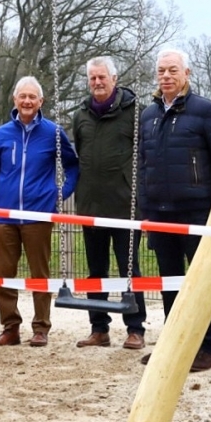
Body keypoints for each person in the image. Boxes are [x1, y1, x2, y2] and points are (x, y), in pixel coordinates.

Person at [137, 49, 211, 372]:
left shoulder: (206, 111)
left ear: (186, 73)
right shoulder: (148, 115)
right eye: (161, 71)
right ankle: (174, 345)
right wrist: (145, 211)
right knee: (170, 281)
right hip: (160, 213)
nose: (166, 76)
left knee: (202, 281)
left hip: (198, 211)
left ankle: (207, 347)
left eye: (172, 70)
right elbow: (143, 166)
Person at [0, 76, 78, 347]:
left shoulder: (53, 133)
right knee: (4, 274)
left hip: (39, 214)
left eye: (32, 97)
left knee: (39, 274)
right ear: (15, 99)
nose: (27, 101)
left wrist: (60, 194)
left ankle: (41, 327)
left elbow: (72, 166)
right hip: (4, 216)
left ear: (41, 101)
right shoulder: (1, 135)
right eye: (23, 96)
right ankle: (10, 327)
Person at [70, 56, 147, 350]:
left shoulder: (134, 112)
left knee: (130, 269)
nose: (98, 83)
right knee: (95, 270)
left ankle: (135, 328)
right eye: (93, 78)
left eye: (102, 77)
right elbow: (79, 151)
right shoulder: (81, 116)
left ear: (114, 79)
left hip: (125, 204)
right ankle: (99, 328)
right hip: (91, 204)